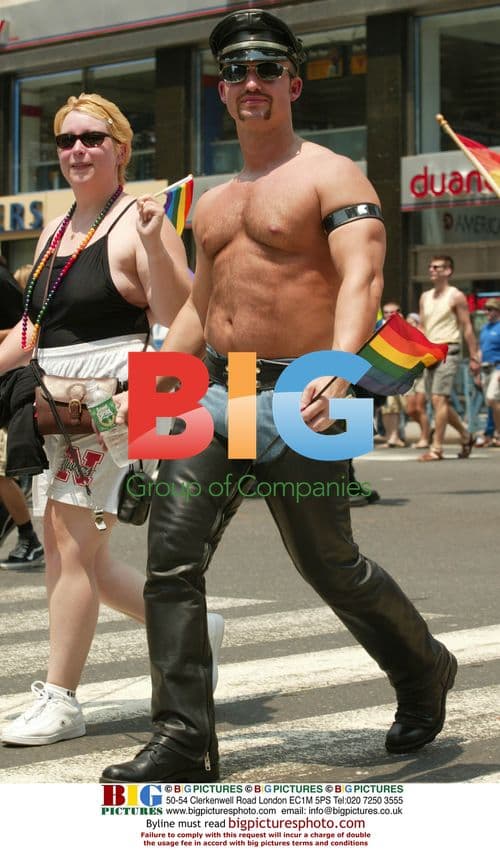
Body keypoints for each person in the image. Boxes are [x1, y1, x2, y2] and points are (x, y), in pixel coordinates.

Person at [100, 10, 457, 784]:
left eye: (266, 68)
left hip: (310, 382)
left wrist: (341, 368)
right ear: (222, 92)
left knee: (330, 564)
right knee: (170, 560)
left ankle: (425, 669)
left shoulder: (336, 174)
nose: (250, 82)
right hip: (217, 386)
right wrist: (162, 382)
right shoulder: (214, 199)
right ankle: (184, 739)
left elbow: (363, 276)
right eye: (236, 71)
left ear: (293, 83)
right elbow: (202, 307)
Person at [0, 93, 224, 747]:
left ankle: (62, 699)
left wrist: (160, 246)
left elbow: (184, 320)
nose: (76, 149)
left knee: (69, 546)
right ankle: (193, 631)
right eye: (66, 139)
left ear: (121, 149)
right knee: (88, 560)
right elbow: (31, 330)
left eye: (92, 138)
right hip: (55, 403)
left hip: (114, 403)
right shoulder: (56, 230)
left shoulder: (137, 224)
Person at [0, 256, 44, 568]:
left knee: (1, 474)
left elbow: (28, 327)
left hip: (9, 385)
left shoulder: (1, 280)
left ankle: (29, 538)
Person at [418, 255, 479, 461]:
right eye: (430, 266)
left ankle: (437, 448)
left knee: (439, 398)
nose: (432, 270)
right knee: (437, 402)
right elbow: (422, 327)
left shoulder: (456, 296)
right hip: (428, 354)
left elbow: (467, 327)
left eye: (437, 267)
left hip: (449, 350)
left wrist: (474, 357)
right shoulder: (424, 297)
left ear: (448, 271)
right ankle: (465, 435)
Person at [379, 302, 406, 448]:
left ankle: (395, 436)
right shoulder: (379, 326)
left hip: (399, 370)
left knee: (397, 406)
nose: (390, 315)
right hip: (382, 370)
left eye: (393, 312)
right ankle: (391, 437)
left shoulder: (404, 327)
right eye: (387, 312)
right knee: (386, 406)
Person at [404, 312, 432, 449]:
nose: (410, 324)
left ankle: (425, 437)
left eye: (413, 322)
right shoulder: (404, 338)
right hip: (409, 375)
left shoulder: (423, 334)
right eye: (407, 322)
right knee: (410, 410)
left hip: (422, 374)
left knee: (420, 407)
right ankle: (427, 430)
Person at [476, 297, 500, 446]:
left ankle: (498, 432)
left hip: (497, 368)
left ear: (498, 311)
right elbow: (480, 350)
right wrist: (477, 369)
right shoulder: (484, 328)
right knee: (490, 403)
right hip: (484, 368)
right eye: (486, 309)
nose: (487, 312)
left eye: (490, 309)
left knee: (492, 399)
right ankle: (490, 434)